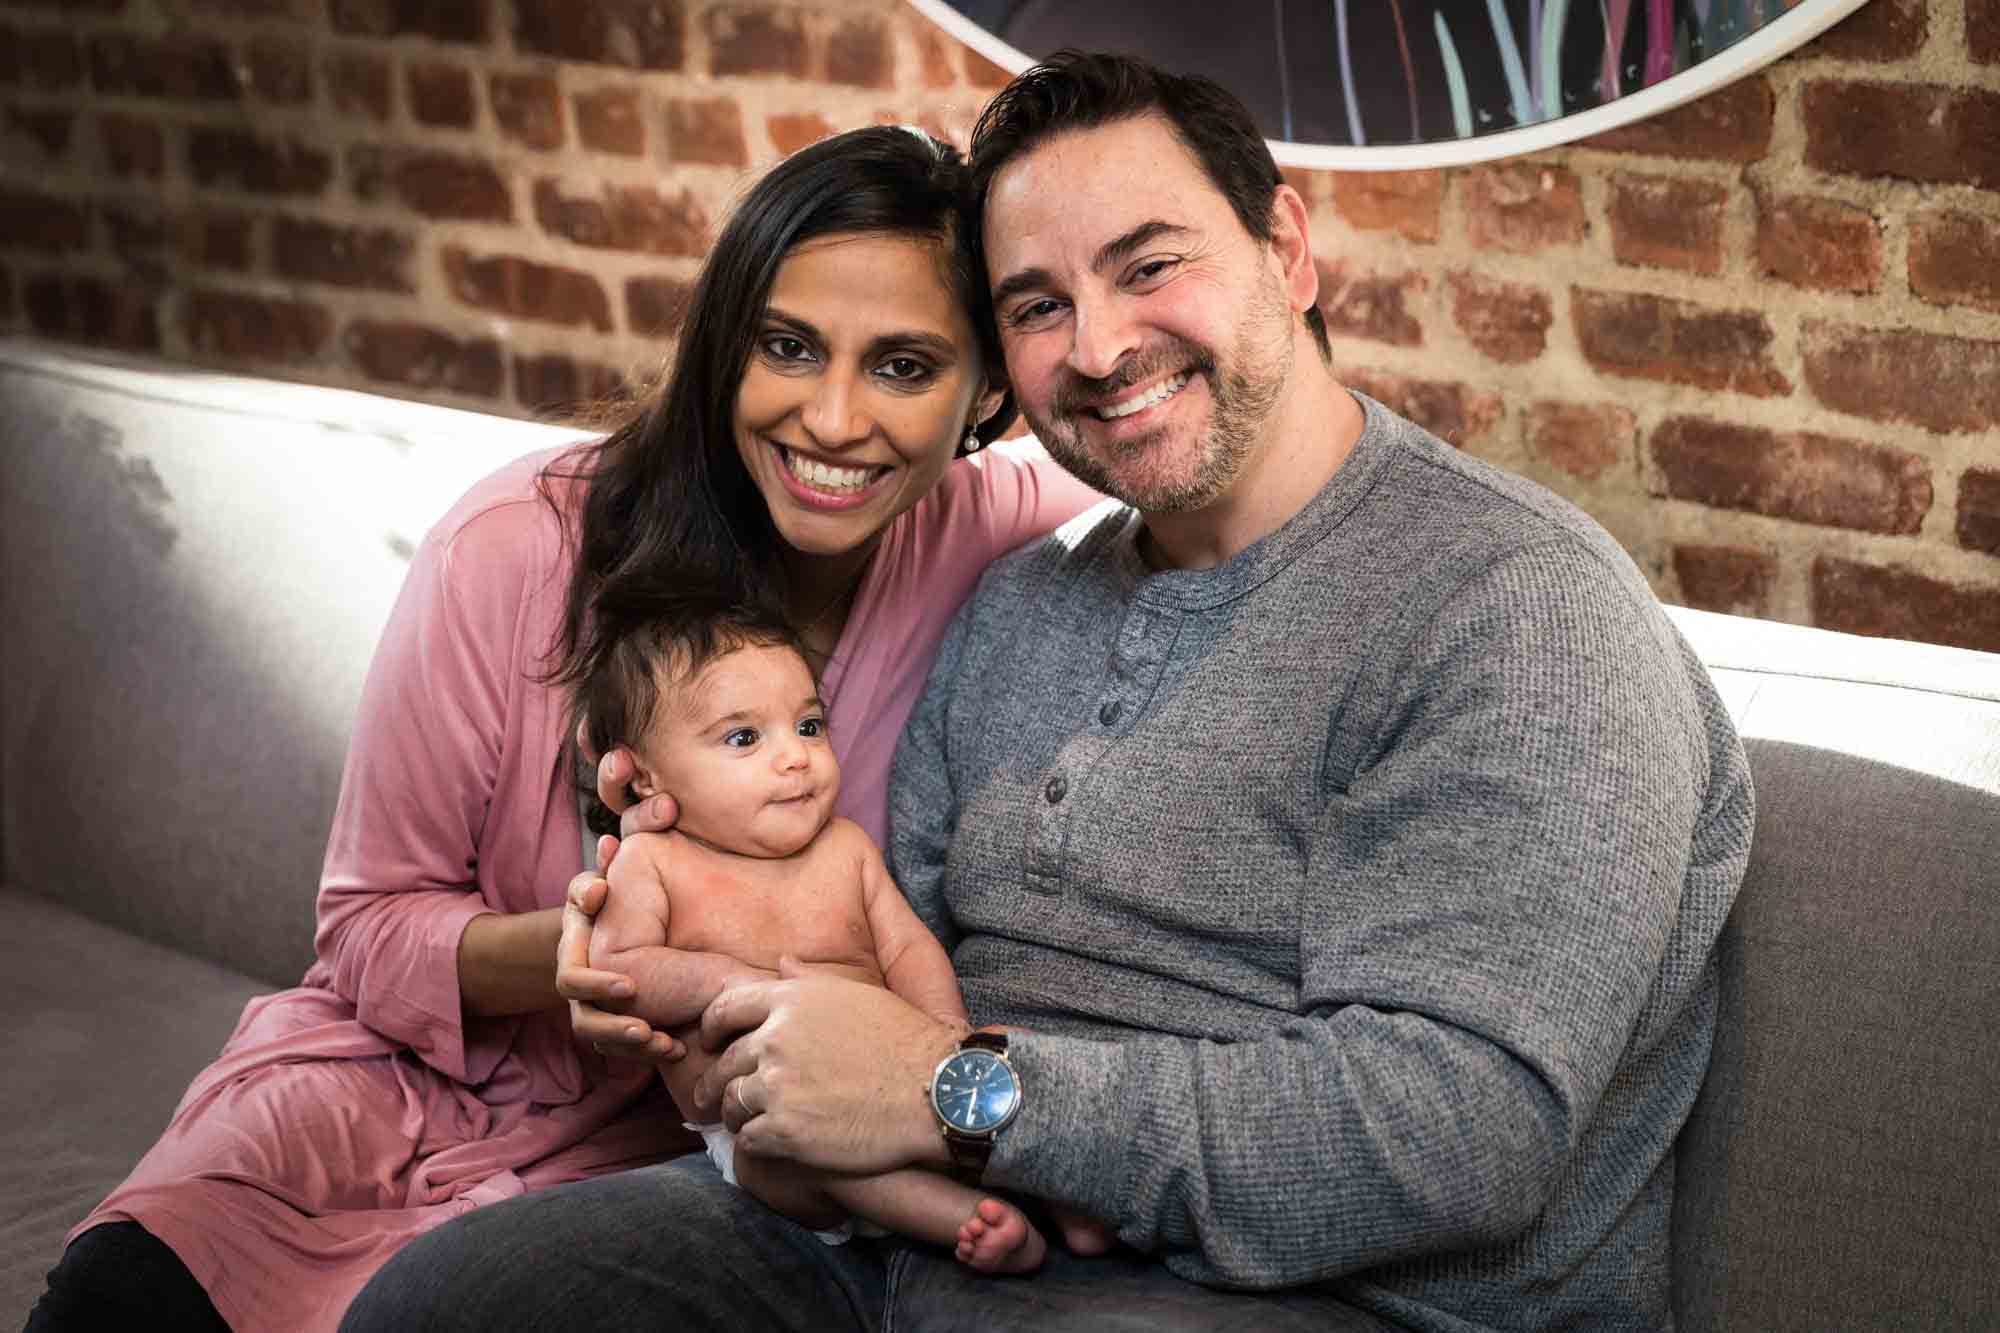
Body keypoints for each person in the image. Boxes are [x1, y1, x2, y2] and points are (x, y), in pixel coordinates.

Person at [344, 52, 1754, 1332]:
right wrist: (757, 1047)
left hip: (1294, 1295)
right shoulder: (1022, 599)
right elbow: (869, 947)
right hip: (881, 1229)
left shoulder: (1517, 611)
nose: (1097, 347)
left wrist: (954, 1091)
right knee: (451, 1303)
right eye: (1038, 305)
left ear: (1287, 248)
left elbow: (1461, 1134)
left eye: (1151, 266)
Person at [26, 126, 1099, 1332]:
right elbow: (368, 928)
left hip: (665, 1163)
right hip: (366, 1108)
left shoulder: (976, 526)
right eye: (785, 346)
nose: (835, 419)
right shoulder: (512, 547)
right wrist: (596, 958)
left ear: (985, 395)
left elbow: (1196, 468)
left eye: (904, 365)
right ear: (719, 344)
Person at [576, 593, 1102, 1270]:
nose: (795, 757)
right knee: (801, 1153)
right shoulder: (654, 861)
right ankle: (963, 1218)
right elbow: (618, 969)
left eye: (809, 725)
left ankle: (1067, 1191)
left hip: (893, 1075)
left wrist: (945, 1038)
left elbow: (908, 947)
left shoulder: (845, 848)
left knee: (1013, 1056)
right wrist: (731, 982)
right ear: (645, 775)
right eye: (744, 737)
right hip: (763, 1113)